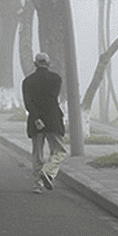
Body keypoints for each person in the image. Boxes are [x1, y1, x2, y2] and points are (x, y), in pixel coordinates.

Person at [22, 52, 68, 194]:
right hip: (53, 119)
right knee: (59, 151)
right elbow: (52, 98)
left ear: (35, 63)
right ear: (48, 63)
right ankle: (47, 172)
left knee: (37, 154)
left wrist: (37, 118)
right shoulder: (56, 79)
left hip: (36, 121)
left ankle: (37, 185)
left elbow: (28, 103)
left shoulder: (27, 81)